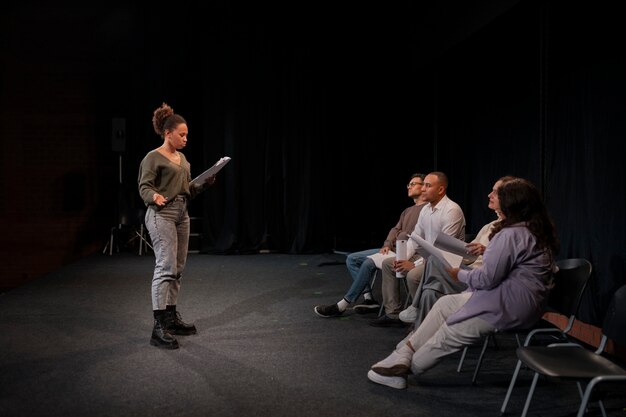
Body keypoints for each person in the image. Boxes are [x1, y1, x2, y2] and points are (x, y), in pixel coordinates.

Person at [367, 178, 559, 390]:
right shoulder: (530, 228)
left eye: (497, 194)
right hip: (511, 298)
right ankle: (405, 352)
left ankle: (405, 366)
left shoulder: (511, 234)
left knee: (448, 333)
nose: (490, 196)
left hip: (510, 305)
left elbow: (486, 279)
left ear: (510, 202)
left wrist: (460, 275)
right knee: (444, 304)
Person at [138, 102, 216, 349]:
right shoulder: (153, 157)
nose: (185, 139)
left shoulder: (181, 158)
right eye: (181, 134)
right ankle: (158, 325)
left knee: (178, 268)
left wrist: (203, 183)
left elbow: (186, 190)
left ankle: (171, 317)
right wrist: (154, 196)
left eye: (187, 135)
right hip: (162, 214)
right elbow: (144, 186)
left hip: (182, 214)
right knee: (166, 266)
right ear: (168, 132)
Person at [398, 176, 517, 326]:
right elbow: (468, 253)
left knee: (433, 261)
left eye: (494, 192)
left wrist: (485, 251)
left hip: (480, 279)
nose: (489, 195)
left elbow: (506, 262)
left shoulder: (514, 231)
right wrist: (457, 251)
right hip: (469, 268)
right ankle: (418, 334)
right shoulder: (490, 226)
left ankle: (416, 310)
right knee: (430, 292)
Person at [314, 173, 428, 318]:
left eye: (413, 184)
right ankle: (368, 298)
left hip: (406, 252)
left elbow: (413, 237)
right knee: (352, 258)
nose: (409, 187)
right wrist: (387, 243)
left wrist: (399, 242)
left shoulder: (426, 210)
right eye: (408, 184)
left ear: (423, 187)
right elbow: (395, 229)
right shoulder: (408, 210)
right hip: (393, 249)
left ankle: (343, 303)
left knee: (368, 263)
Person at [370, 171, 466, 327]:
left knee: (413, 275)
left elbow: (442, 250)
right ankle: (393, 313)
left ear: (441, 190)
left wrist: (414, 265)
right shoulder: (426, 210)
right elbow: (414, 238)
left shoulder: (451, 210)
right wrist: (402, 258)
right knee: (389, 264)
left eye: (428, 186)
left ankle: (423, 320)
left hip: (446, 262)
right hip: (428, 257)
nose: (423, 189)